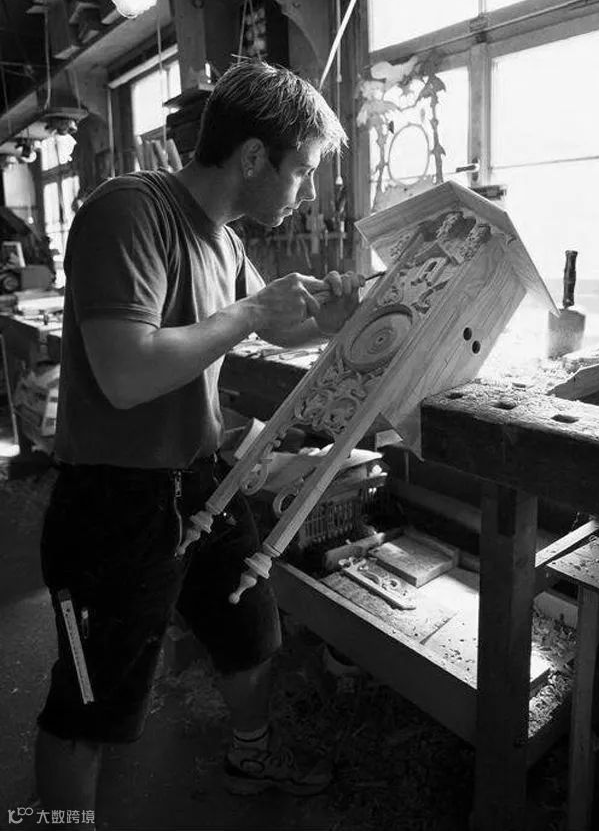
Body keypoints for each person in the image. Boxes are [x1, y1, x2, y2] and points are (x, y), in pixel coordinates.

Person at [35, 59, 364, 822]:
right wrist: (249, 314)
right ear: (252, 157)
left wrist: (330, 321)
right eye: (302, 169)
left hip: (201, 482)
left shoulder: (224, 242)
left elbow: (263, 329)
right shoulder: (130, 211)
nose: (307, 189)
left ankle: (251, 752)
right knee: (87, 701)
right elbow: (126, 373)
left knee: (251, 631)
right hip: (112, 505)